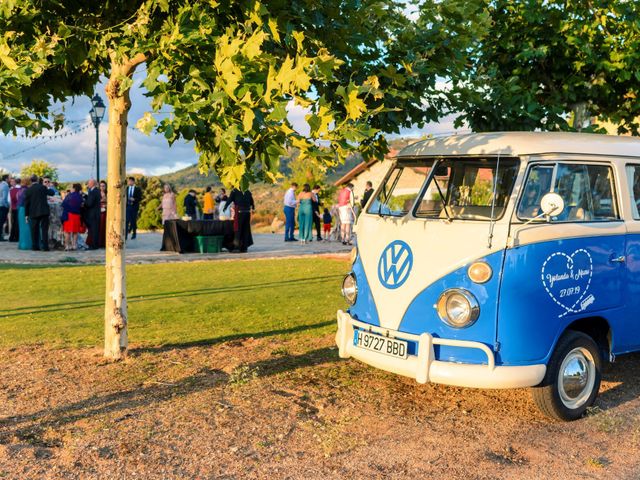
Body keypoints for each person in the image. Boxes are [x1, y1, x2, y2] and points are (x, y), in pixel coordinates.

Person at [24, 174, 51, 251]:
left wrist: (26, 215)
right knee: (44, 230)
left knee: (34, 230)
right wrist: (48, 186)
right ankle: (45, 247)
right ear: (37, 180)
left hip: (33, 212)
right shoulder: (42, 187)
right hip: (44, 211)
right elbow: (51, 193)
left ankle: (35, 246)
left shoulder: (28, 190)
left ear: (31, 180)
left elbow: (26, 204)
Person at [223, 187, 255, 252]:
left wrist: (225, 207)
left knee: (238, 229)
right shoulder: (247, 191)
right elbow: (252, 202)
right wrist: (253, 207)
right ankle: (244, 247)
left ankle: (237, 247)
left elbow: (229, 199)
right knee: (246, 230)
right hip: (247, 212)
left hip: (240, 212)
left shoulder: (234, 191)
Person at [61, 183, 84, 251]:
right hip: (76, 216)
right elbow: (81, 205)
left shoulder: (69, 195)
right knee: (75, 232)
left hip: (69, 215)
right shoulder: (80, 196)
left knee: (67, 231)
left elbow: (63, 204)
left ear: (74, 188)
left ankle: (67, 246)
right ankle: (74, 246)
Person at [85, 179, 101, 249]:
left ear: (92, 184)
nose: (87, 185)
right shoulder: (97, 191)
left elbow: (89, 203)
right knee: (95, 230)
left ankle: (94, 245)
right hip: (96, 213)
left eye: (88, 183)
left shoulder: (92, 192)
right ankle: (95, 244)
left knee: (93, 230)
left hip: (93, 214)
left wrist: (84, 203)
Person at [17, 177, 32, 250]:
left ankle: (22, 244)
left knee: (22, 228)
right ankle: (27, 244)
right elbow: (27, 202)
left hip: (20, 210)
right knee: (27, 228)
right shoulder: (27, 190)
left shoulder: (19, 190)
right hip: (25, 209)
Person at [8, 177, 21, 242]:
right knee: (18, 223)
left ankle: (12, 237)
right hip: (20, 208)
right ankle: (17, 237)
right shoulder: (22, 189)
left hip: (13, 208)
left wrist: (10, 209)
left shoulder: (11, 190)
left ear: (15, 182)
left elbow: (9, 201)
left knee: (14, 223)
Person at [99, 180, 107, 248]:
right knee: (100, 226)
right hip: (99, 212)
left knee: (105, 227)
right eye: (101, 186)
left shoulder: (108, 193)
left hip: (106, 212)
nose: (102, 187)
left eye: (103, 186)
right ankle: (100, 242)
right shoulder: (98, 193)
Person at [0, 174, 9, 241]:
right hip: (3, 206)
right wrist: (7, 206)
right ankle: (0, 237)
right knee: (1, 222)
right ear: (6, 179)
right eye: (9, 178)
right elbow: (4, 198)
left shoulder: (0, 184)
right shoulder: (5, 185)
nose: (9, 179)